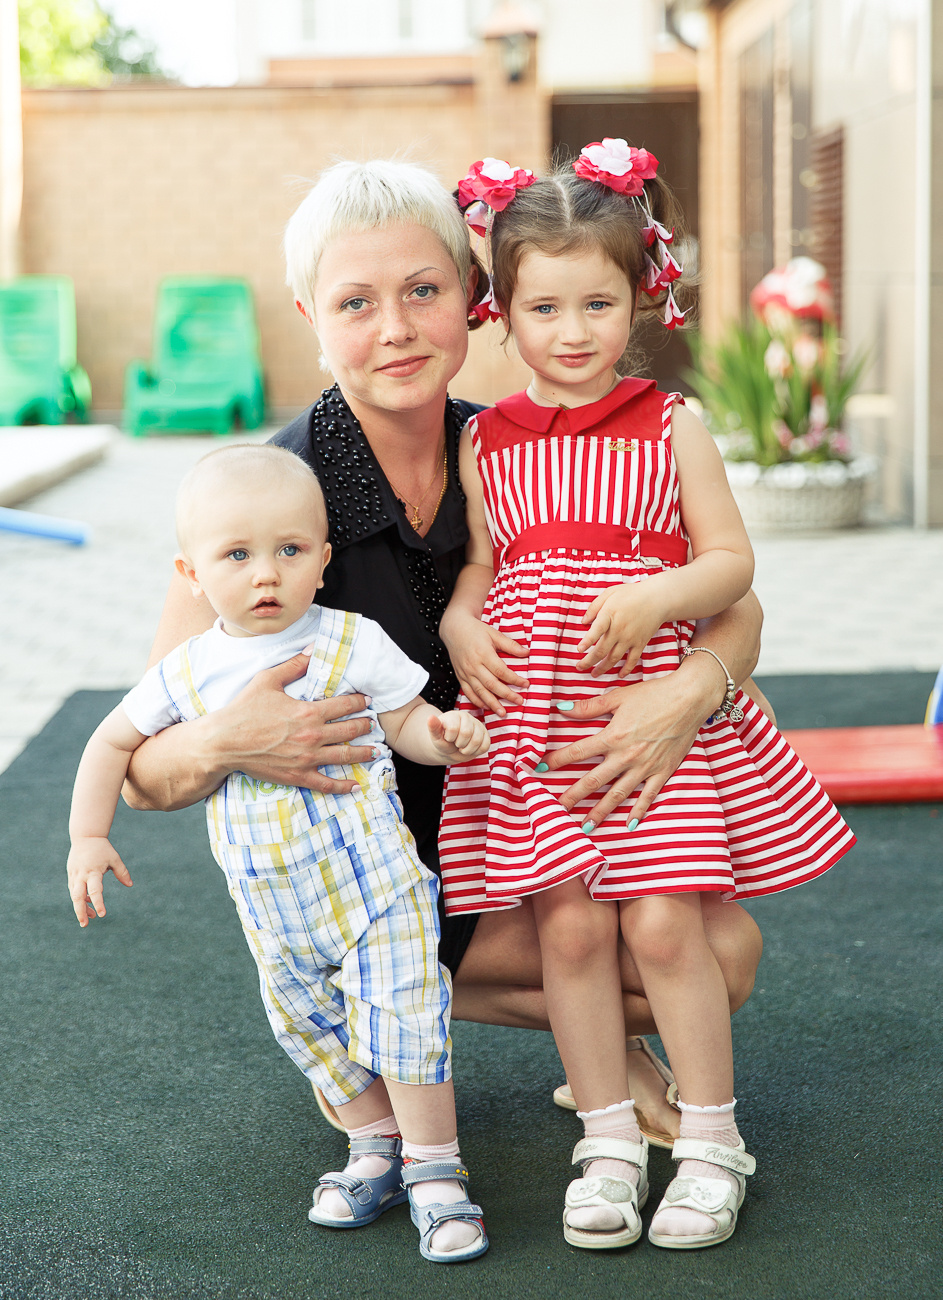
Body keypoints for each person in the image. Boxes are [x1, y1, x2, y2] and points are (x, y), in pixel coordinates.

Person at [121, 158, 765, 1175]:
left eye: (423, 291)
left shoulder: (513, 446)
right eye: (354, 302)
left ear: (474, 300)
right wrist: (224, 737)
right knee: (609, 943)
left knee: (718, 950)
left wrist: (691, 688)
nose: (396, 327)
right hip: (367, 868)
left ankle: (590, 1047)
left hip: (513, 819)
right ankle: (370, 1012)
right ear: (308, 313)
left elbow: (738, 604)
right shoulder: (264, 502)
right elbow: (143, 764)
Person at [439, 142, 856, 1251]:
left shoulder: (669, 425)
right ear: (504, 311)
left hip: (649, 716)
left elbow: (729, 563)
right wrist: (459, 620)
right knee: (569, 924)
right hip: (540, 723)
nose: (571, 332)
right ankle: (611, 1135)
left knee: (665, 919)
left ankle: (712, 1138)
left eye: (597, 301)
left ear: (639, 298)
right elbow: (481, 569)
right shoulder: (485, 442)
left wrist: (663, 588)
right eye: (544, 307)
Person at [67, 444, 490, 1264]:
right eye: (237, 555)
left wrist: (443, 737)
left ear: (323, 560)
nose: (267, 574)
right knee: (310, 1027)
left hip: (375, 884)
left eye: (290, 551)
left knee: (406, 1016)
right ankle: (375, 1149)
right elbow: (111, 742)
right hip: (273, 906)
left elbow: (404, 722)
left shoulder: (351, 641)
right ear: (190, 572)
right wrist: (89, 835)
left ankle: (438, 1170)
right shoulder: (187, 672)